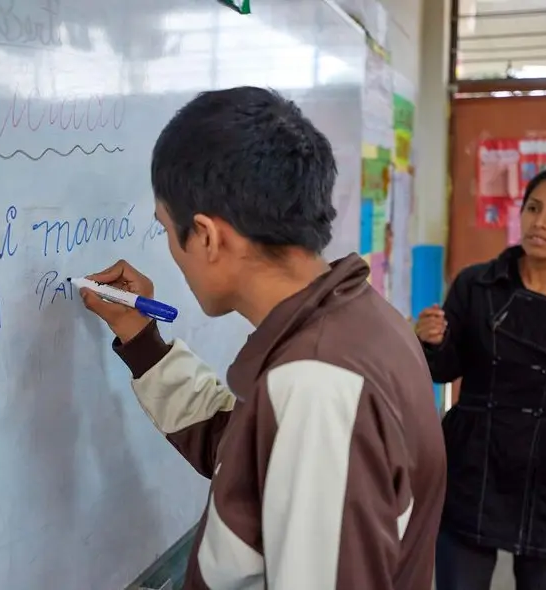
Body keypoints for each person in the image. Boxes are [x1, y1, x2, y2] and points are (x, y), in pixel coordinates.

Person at [79, 86, 446, 589]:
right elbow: (242, 445)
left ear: (207, 236)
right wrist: (141, 339)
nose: (170, 251)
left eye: (166, 229)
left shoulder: (318, 384)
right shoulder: (362, 322)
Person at [415, 166, 546, 590]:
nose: (540, 222)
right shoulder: (476, 284)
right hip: (472, 461)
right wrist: (431, 342)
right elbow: (444, 370)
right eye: (533, 208)